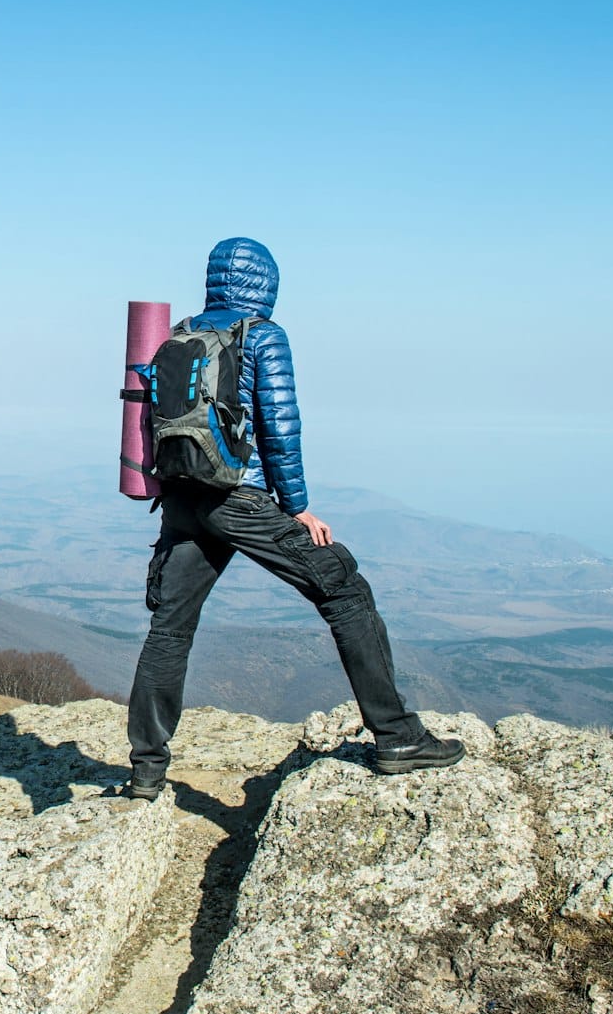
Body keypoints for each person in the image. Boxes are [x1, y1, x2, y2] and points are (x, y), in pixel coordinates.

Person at [124, 236, 462, 798]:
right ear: (265, 283)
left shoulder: (180, 332)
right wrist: (298, 507)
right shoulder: (263, 336)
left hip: (182, 499)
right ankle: (399, 736)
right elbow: (280, 428)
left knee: (169, 631)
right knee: (346, 590)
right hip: (241, 500)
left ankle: (146, 773)